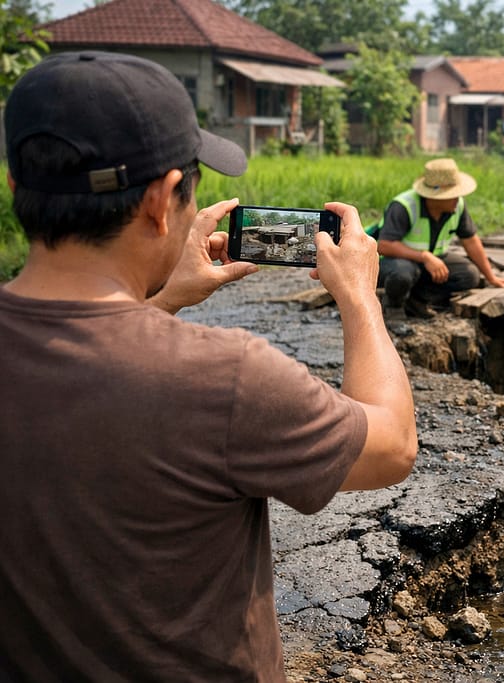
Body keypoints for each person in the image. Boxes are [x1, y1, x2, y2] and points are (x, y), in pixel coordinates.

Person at [0, 51, 418, 681]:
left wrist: (163, 299)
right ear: (164, 200)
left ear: (14, 187)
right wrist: (359, 295)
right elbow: (391, 446)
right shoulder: (228, 376)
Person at [375, 158, 504, 319]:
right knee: (402, 274)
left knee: (469, 275)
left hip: (430, 261)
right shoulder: (404, 206)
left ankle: (417, 301)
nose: (457, 199)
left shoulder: (457, 206)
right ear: (435, 197)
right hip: (393, 262)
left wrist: (491, 276)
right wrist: (424, 256)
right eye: (452, 195)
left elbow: (470, 241)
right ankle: (393, 307)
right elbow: (384, 246)